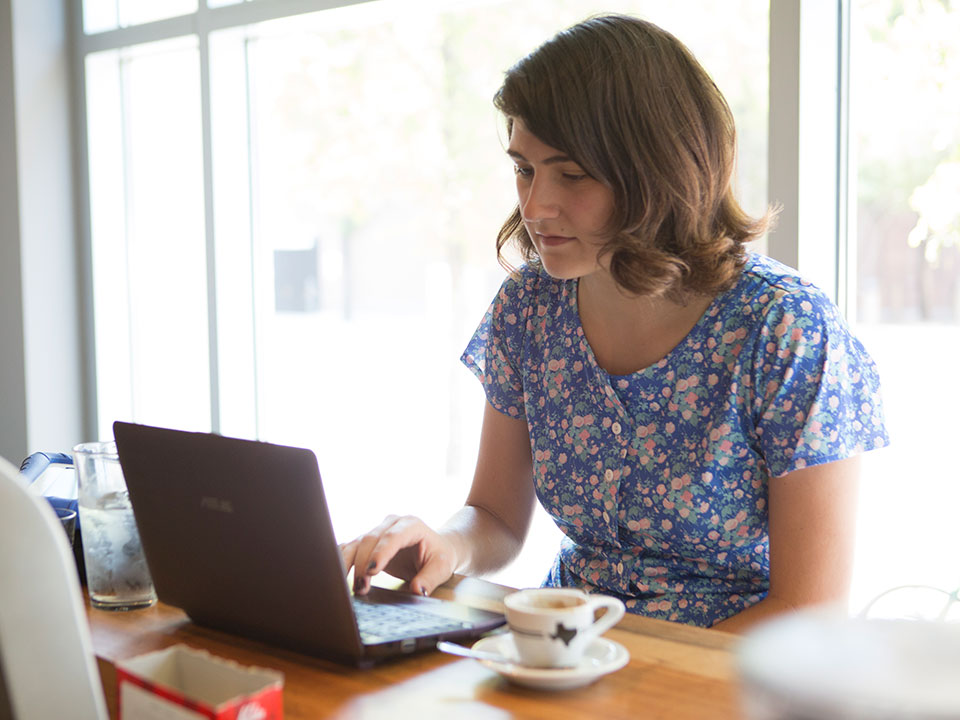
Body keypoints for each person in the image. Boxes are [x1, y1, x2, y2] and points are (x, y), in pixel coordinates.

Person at [339, 14, 889, 632]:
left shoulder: (784, 327)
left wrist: (623, 670)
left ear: (658, 170)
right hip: (567, 647)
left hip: (727, 673)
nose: (535, 205)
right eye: (524, 168)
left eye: (571, 174)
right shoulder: (529, 308)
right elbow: (493, 514)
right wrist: (446, 544)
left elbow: (808, 612)